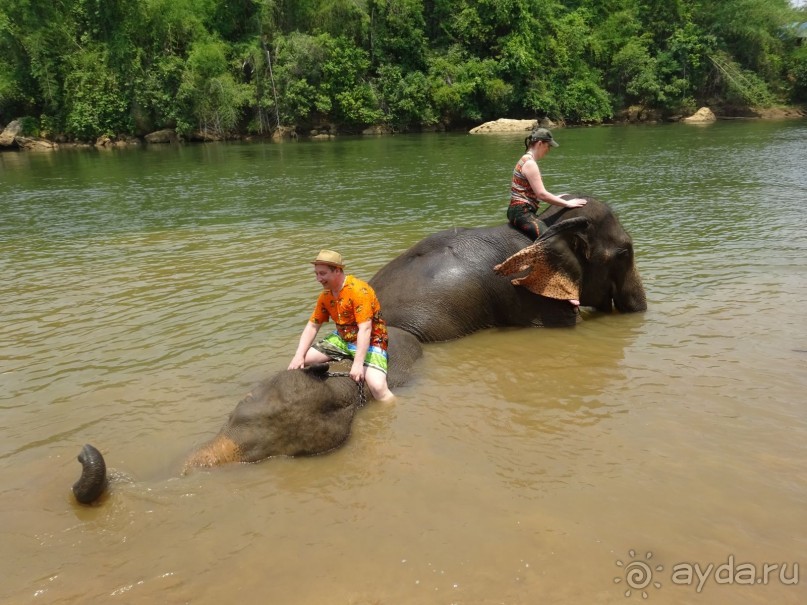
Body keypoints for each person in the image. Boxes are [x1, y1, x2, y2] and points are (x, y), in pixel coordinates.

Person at [288, 249, 395, 402]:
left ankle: (395, 412)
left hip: (371, 340)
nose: (318, 278)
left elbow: (365, 328)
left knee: (378, 388)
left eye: (322, 273)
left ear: (337, 270)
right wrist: (298, 355)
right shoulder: (326, 295)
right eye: (316, 274)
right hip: (343, 338)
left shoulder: (359, 291)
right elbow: (312, 326)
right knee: (304, 359)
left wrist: (358, 364)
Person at [507, 127, 587, 240]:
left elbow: (532, 193)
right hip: (522, 213)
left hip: (517, 210)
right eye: (548, 146)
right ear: (540, 143)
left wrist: (556, 198)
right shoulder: (530, 163)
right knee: (552, 240)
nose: (548, 150)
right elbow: (542, 194)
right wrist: (567, 204)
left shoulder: (525, 159)